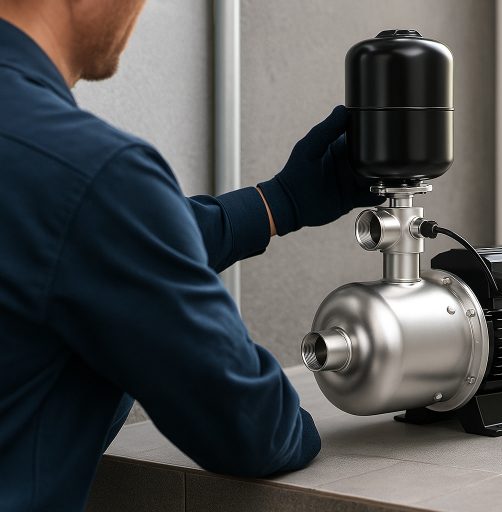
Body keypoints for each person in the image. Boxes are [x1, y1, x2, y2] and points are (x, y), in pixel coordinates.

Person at [0, 1, 382, 510]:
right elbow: (253, 427)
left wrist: (278, 203)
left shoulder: (62, 174)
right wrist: (313, 427)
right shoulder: (90, 173)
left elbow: (85, 239)